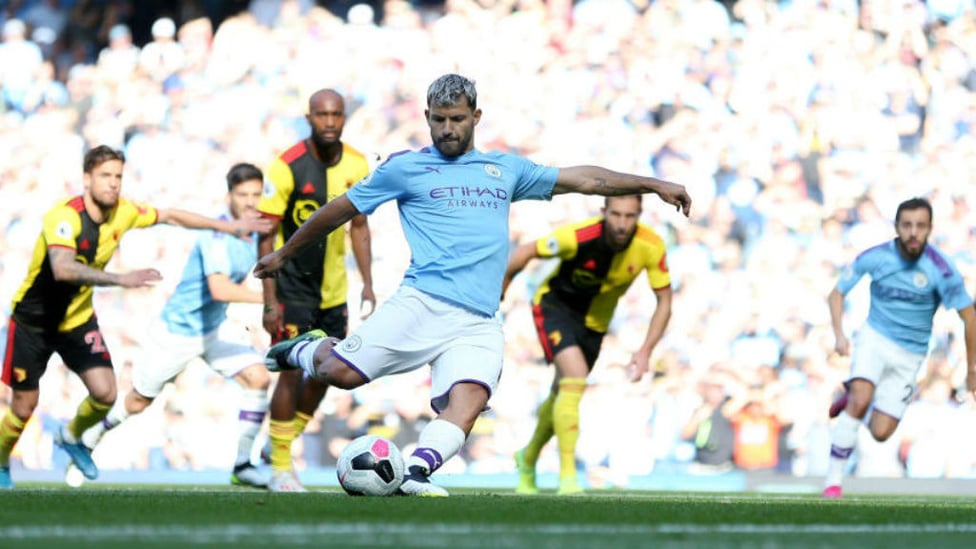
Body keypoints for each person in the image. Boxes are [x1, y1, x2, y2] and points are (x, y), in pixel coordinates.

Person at [253, 73, 691, 497]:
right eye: (439, 120)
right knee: (339, 374)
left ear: (476, 117)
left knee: (469, 400)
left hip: (479, 319)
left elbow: (585, 180)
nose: (447, 129)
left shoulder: (504, 168)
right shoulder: (404, 168)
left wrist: (652, 185)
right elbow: (341, 209)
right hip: (421, 304)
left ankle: (414, 472)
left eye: (457, 119)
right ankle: (306, 348)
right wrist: (285, 253)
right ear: (426, 116)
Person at [0, 145, 271, 489]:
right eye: (105, 176)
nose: (113, 184)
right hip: (32, 324)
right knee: (24, 408)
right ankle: (1, 463)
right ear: (86, 179)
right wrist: (120, 279)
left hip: (77, 320)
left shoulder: (125, 211)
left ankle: (73, 438)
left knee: (105, 394)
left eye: (118, 176)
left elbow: (171, 216)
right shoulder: (64, 218)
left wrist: (228, 226)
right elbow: (63, 268)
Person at [74, 162, 274, 489]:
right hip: (177, 334)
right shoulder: (217, 236)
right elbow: (220, 289)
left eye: (256, 194)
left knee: (259, 377)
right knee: (139, 401)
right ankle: (91, 437)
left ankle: (243, 464)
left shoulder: (258, 232)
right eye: (243, 195)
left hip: (213, 329)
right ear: (229, 197)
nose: (250, 202)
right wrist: (271, 301)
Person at [502, 194, 673, 495]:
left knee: (564, 392)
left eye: (630, 216)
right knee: (576, 377)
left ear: (639, 215)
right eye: (616, 215)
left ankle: (527, 459)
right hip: (555, 308)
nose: (622, 224)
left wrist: (645, 350)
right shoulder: (579, 236)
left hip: (594, 325)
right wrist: (501, 289)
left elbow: (665, 300)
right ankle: (568, 476)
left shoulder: (650, 245)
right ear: (604, 212)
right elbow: (527, 251)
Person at [258, 88, 375, 492]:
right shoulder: (287, 166)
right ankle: (278, 467)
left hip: (334, 293)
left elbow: (359, 225)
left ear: (344, 118)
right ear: (309, 118)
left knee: (329, 373)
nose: (329, 122)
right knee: (290, 373)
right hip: (292, 289)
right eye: (321, 115)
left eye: (336, 115)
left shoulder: (358, 163)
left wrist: (369, 285)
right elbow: (266, 232)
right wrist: (269, 300)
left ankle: (278, 447)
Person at [823, 197, 976, 499]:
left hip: (911, 354)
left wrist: (972, 369)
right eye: (907, 225)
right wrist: (840, 335)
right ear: (896, 227)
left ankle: (852, 399)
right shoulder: (875, 257)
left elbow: (969, 317)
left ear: (930, 228)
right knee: (862, 396)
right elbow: (836, 294)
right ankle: (833, 482)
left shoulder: (941, 269)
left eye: (920, 226)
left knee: (881, 432)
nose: (913, 233)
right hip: (874, 338)